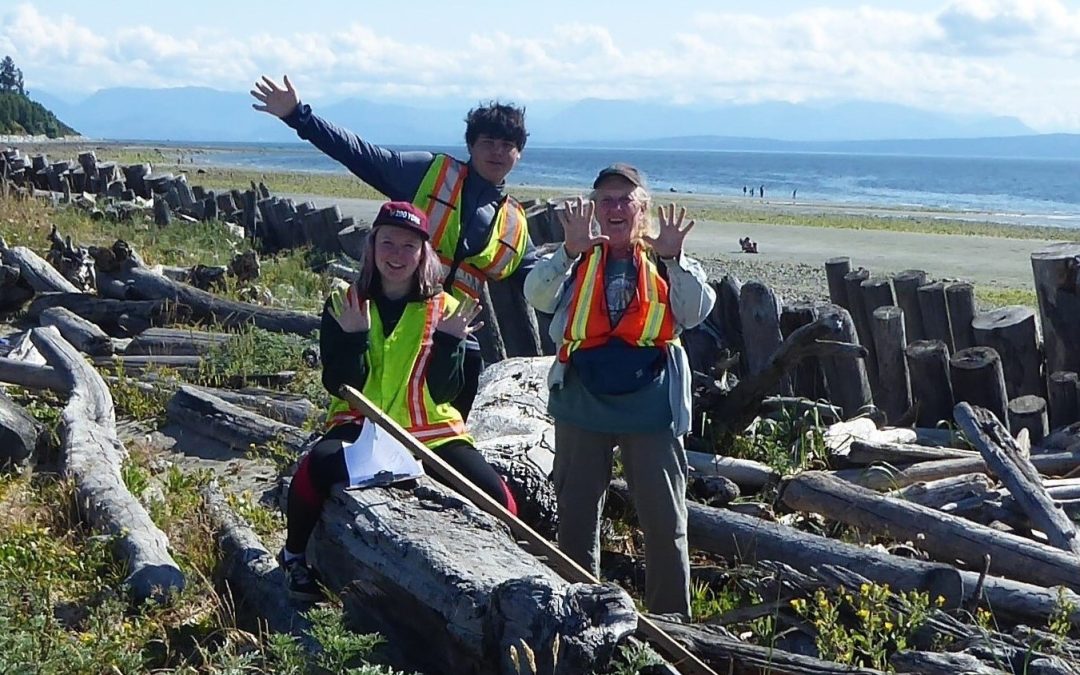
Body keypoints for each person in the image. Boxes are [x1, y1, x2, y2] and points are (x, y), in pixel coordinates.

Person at [250, 75, 536, 421]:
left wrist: (573, 253)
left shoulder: (514, 221)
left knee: (445, 423)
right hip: (395, 322)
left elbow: (538, 283)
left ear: (519, 153)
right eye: (488, 141)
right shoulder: (428, 173)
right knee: (369, 409)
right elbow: (360, 154)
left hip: (452, 337)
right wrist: (299, 116)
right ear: (470, 145)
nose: (497, 152)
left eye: (507, 145)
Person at [280, 200, 518, 601]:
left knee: (499, 499)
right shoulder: (345, 303)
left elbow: (446, 393)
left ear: (424, 252)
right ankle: (293, 554)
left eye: (409, 246)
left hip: (430, 429)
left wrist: (447, 342)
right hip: (361, 420)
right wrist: (354, 336)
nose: (397, 255)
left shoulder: (448, 308)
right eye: (388, 243)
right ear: (371, 247)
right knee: (316, 468)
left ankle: (508, 570)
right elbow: (338, 383)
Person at [523, 164, 715, 618]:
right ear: (593, 209)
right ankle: (578, 612)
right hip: (581, 402)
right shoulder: (576, 257)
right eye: (604, 200)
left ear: (642, 209)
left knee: (665, 521)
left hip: (652, 405)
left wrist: (674, 259)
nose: (614, 208)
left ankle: (671, 623)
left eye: (624, 200)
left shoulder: (666, 257)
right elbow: (536, 295)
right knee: (575, 514)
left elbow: (695, 312)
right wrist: (565, 252)